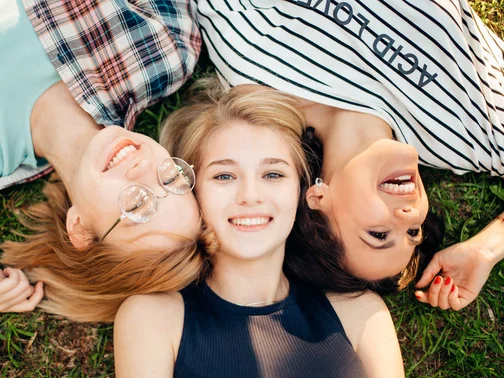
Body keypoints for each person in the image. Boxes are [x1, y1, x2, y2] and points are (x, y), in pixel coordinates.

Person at [0, 0, 203, 322]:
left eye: (136, 205)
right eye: (172, 179)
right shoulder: (164, 54)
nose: (144, 169)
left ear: (80, 227)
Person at [194, 0, 504, 310]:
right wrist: (487, 249)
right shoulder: (463, 136)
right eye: (413, 232)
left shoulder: (254, 70)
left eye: (379, 234)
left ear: (317, 200)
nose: (412, 216)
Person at [114, 83, 408, 378]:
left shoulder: (362, 316)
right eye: (224, 176)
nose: (250, 196)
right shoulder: (153, 319)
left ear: (301, 189)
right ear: (193, 193)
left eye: (273, 175)